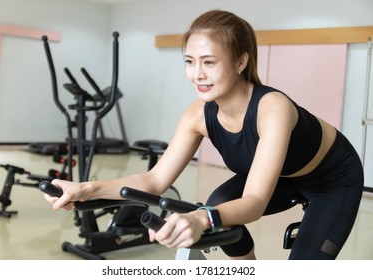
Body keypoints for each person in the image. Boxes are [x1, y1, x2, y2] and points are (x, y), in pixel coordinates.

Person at [44, 9, 364, 260]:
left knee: (227, 219)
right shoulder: (198, 114)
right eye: (190, 61)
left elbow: (253, 202)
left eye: (209, 62)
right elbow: (155, 181)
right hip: (280, 175)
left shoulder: (272, 108)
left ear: (241, 61)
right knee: (220, 204)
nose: (197, 74)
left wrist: (201, 219)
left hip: (332, 181)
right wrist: (87, 189)